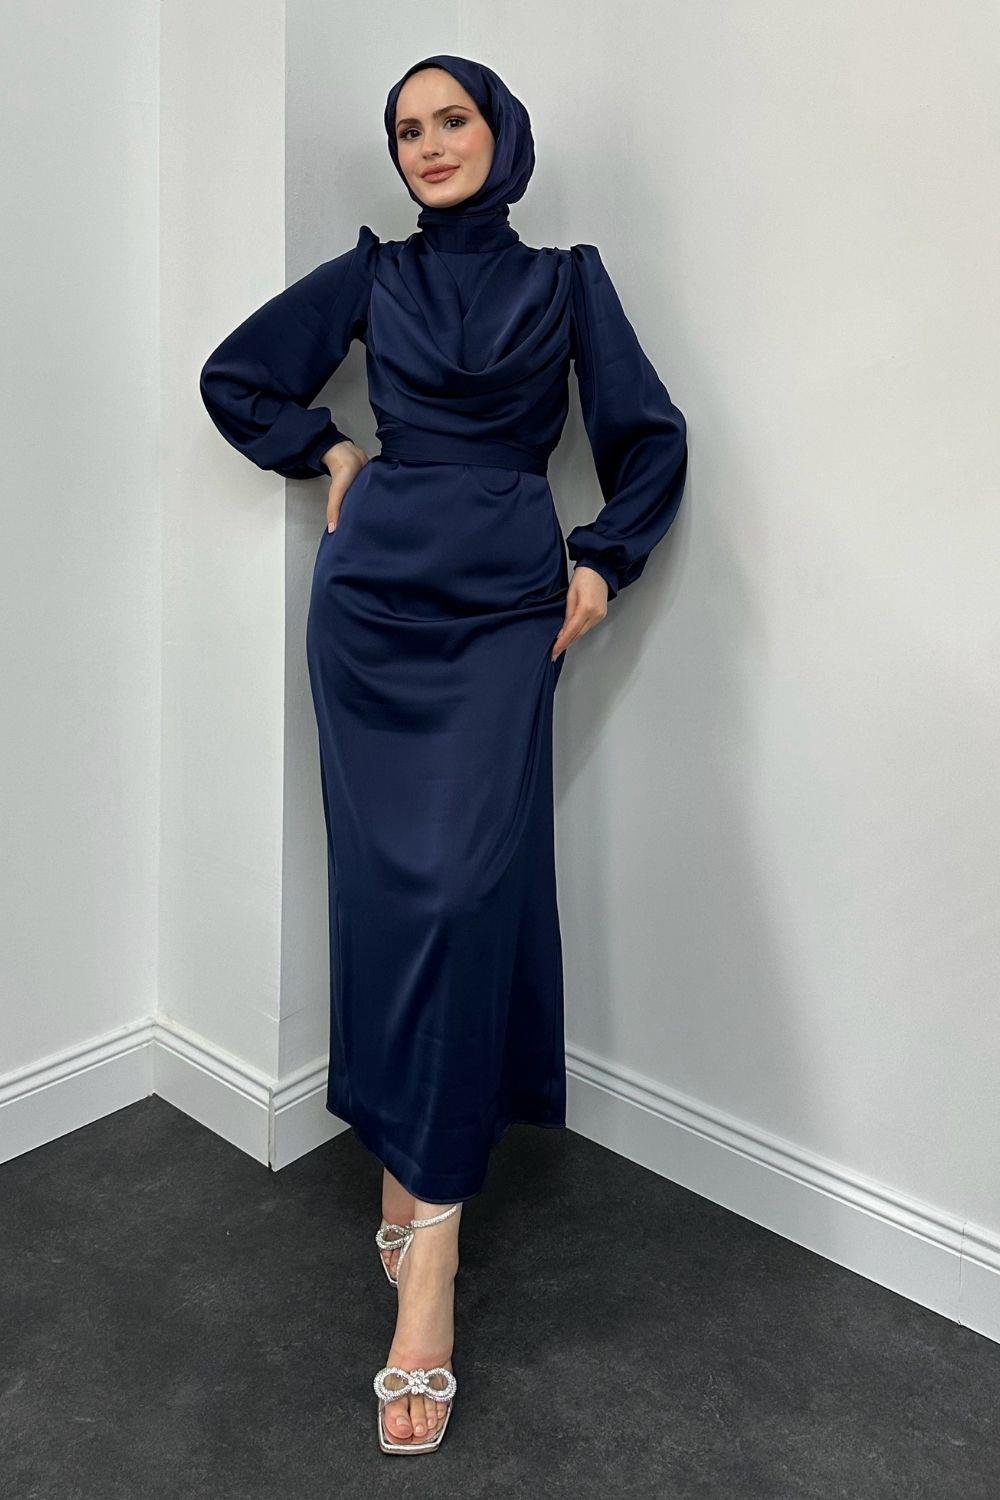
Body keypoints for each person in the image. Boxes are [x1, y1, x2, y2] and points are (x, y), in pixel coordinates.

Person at [198, 52, 688, 1455]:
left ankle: (432, 1243)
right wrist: (330, 453)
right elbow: (238, 378)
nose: (428, 144)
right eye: (407, 128)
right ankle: (417, 1201)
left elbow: (650, 439)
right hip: (371, 609)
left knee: (470, 895)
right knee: (388, 896)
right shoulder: (371, 275)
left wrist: (604, 558)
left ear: (500, 133)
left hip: (504, 610)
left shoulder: (568, 283)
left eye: (451, 119)